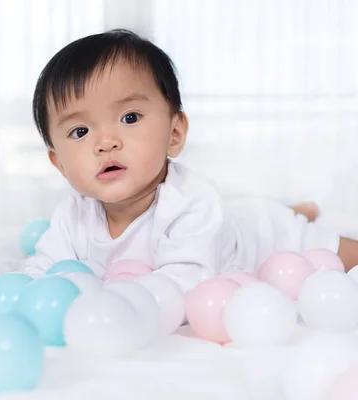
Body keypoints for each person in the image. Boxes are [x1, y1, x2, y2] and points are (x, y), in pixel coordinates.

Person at [19, 29, 358, 292]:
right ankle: (296, 208)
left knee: (341, 254)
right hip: (230, 217)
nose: (106, 143)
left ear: (175, 134)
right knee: (237, 211)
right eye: (80, 131)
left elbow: (184, 285)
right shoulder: (72, 215)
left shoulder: (190, 204)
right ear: (59, 164)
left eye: (130, 117)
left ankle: (293, 215)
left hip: (264, 234)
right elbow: (43, 267)